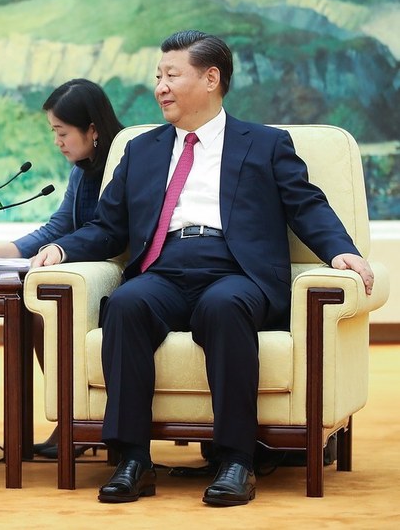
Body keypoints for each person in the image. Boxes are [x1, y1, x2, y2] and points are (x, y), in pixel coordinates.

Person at [32, 30, 374, 507]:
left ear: (211, 78)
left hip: (236, 271)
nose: (160, 87)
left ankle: (236, 461)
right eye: (158, 76)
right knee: (127, 304)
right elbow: (109, 228)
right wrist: (63, 250)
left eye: (172, 75)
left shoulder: (265, 144)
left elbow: (307, 206)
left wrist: (341, 250)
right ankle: (132, 460)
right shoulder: (142, 150)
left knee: (224, 306)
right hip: (164, 269)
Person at [0, 79, 123, 460]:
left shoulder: (123, 164)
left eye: (62, 132)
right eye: (54, 132)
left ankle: (80, 419)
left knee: (46, 310)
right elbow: (59, 226)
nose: (57, 141)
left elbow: (110, 233)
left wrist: (59, 251)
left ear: (93, 129)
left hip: (119, 277)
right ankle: (72, 415)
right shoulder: (81, 168)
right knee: (33, 312)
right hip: (81, 277)